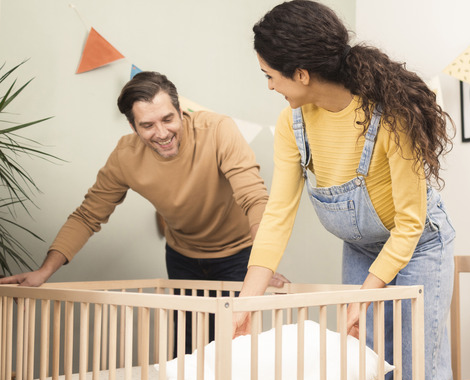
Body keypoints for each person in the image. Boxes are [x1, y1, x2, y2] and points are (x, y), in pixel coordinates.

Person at [233, 1, 460, 380]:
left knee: (419, 371)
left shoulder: (389, 117)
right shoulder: (291, 124)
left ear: (300, 73)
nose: (268, 86)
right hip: (361, 247)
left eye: (270, 75)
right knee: (369, 368)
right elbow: (278, 215)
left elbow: (410, 224)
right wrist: (247, 303)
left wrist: (366, 292)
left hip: (419, 243)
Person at [0, 71, 287, 352]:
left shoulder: (218, 130)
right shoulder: (125, 156)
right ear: (132, 126)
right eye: (147, 125)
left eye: (168, 119)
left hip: (239, 255)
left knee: (237, 345)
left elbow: (254, 198)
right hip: (183, 258)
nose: (162, 133)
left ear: (180, 110)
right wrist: (44, 271)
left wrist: (262, 262)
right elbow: (88, 215)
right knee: (188, 349)